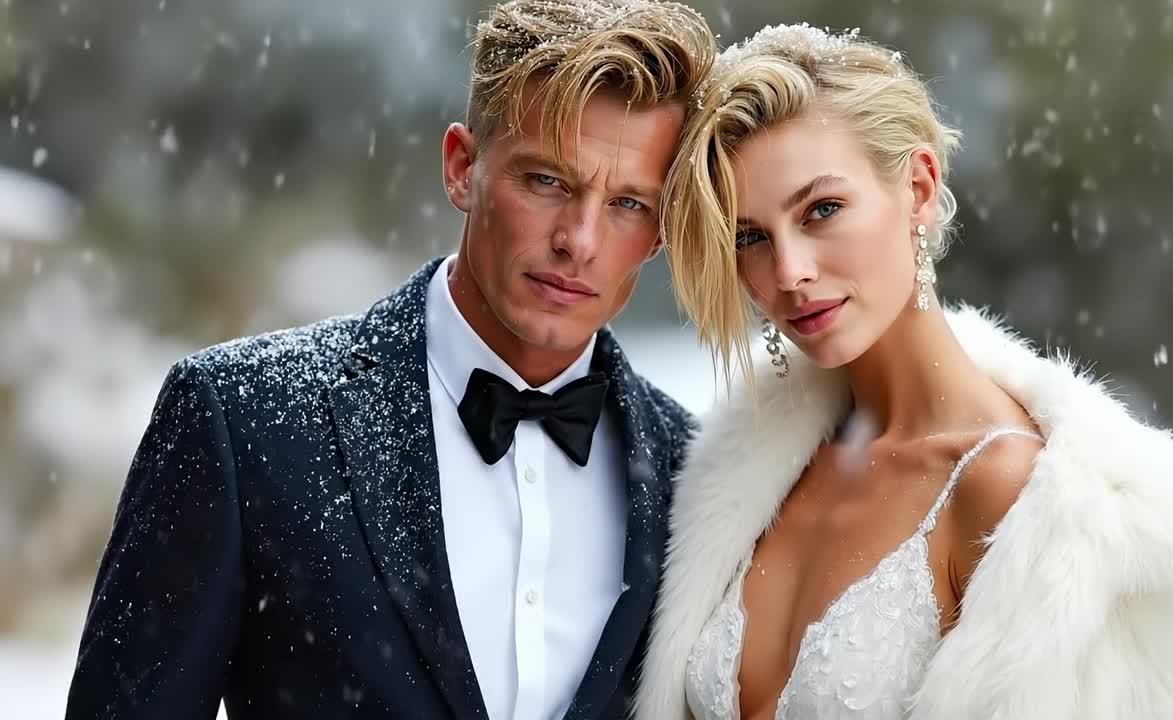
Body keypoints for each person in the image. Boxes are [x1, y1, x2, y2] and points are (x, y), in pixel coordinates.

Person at [65, 1, 715, 718]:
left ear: (662, 230)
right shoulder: (241, 419)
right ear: (462, 168)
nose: (580, 241)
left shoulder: (699, 477)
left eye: (628, 204)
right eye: (548, 181)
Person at [637, 23, 1173, 720]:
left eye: (822, 210)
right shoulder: (739, 473)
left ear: (918, 188)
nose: (789, 271)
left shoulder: (1022, 502)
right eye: (750, 237)